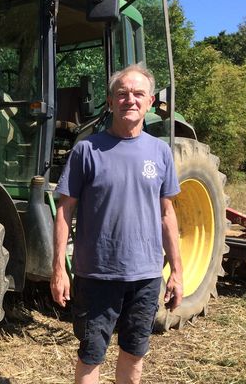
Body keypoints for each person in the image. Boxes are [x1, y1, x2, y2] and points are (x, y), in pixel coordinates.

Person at [50, 64, 183, 384]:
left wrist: (176, 270)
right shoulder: (86, 150)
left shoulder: (161, 152)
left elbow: (167, 214)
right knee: (91, 355)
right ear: (110, 102)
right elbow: (64, 211)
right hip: (96, 275)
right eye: (122, 94)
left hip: (146, 277)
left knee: (134, 355)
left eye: (138, 94)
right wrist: (58, 268)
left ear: (150, 102)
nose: (130, 100)